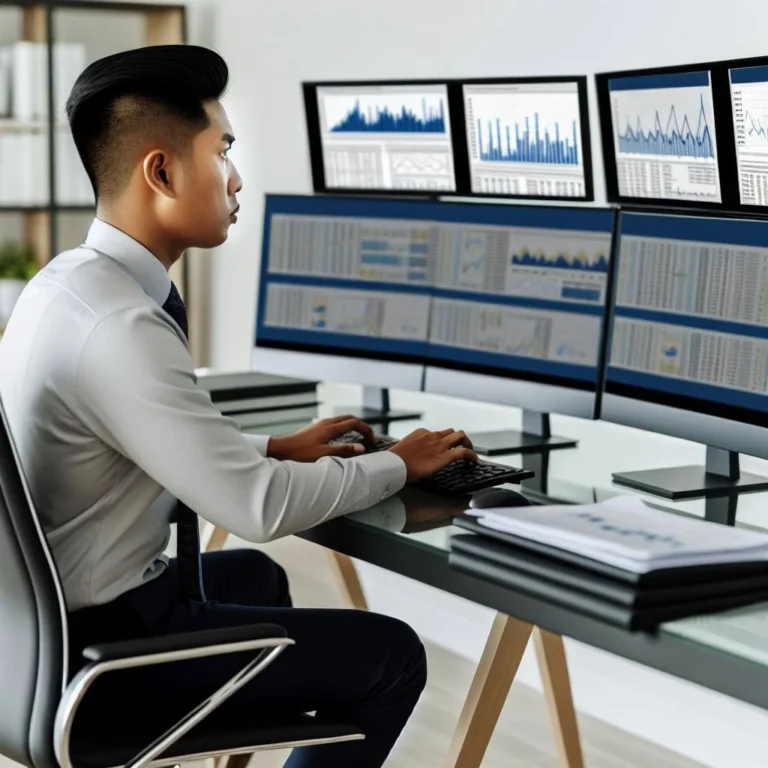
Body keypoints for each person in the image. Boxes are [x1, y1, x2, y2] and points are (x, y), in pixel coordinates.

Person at [0, 45, 478, 768]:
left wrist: (274, 447)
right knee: (392, 656)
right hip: (97, 661)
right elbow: (255, 508)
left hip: (30, 639)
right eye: (222, 150)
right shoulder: (120, 326)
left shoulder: (65, 287)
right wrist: (394, 463)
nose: (236, 178)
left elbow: (139, 437)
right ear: (160, 171)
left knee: (257, 580)